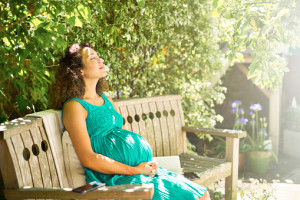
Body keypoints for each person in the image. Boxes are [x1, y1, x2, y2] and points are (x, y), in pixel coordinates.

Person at [50, 43, 211, 200]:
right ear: (80, 71)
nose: (101, 61)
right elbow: (88, 158)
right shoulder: (75, 106)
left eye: (99, 57)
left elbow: (122, 136)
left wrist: (145, 163)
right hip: (116, 179)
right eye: (93, 58)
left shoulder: (106, 100)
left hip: (141, 171)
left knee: (202, 195)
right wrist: (134, 170)